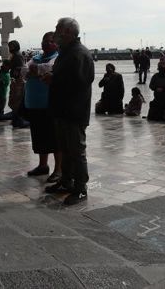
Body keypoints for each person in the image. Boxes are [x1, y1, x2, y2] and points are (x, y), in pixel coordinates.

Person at [45, 18, 95, 206]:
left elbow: (81, 82)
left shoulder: (79, 54)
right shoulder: (66, 52)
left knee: (76, 151)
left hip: (74, 112)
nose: (55, 32)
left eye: (58, 29)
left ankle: (81, 188)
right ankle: (66, 181)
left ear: (67, 31)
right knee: (65, 149)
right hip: (62, 110)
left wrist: (54, 80)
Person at [24, 32, 61, 182]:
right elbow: (23, 70)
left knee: (54, 138)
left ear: (56, 43)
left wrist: (35, 70)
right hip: (34, 104)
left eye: (50, 41)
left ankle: (59, 169)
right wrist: (37, 71)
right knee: (39, 136)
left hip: (49, 104)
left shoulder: (58, 57)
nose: (46, 44)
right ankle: (43, 165)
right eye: (44, 41)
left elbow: (49, 68)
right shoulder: (36, 57)